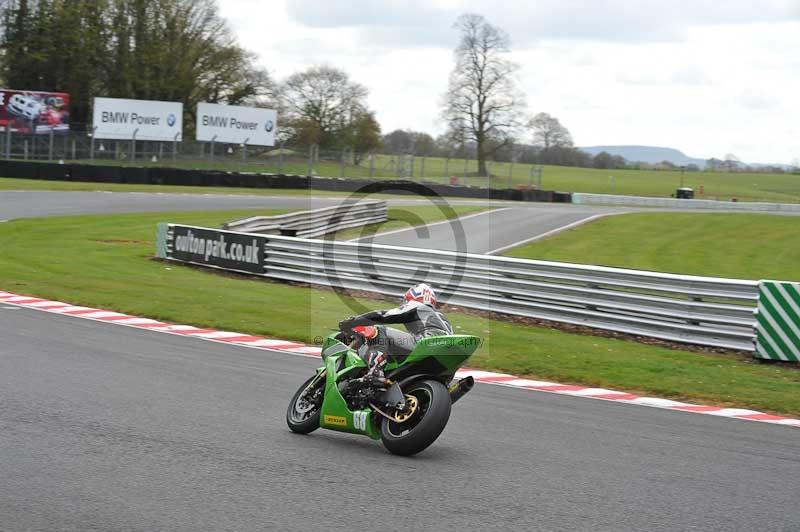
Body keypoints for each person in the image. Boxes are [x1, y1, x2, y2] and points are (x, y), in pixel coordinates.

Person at [338, 283, 453, 381]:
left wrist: (353, 322)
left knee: (378, 329)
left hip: (426, 345)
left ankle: (375, 371)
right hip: (445, 360)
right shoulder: (443, 318)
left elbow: (384, 315)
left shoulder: (417, 306)